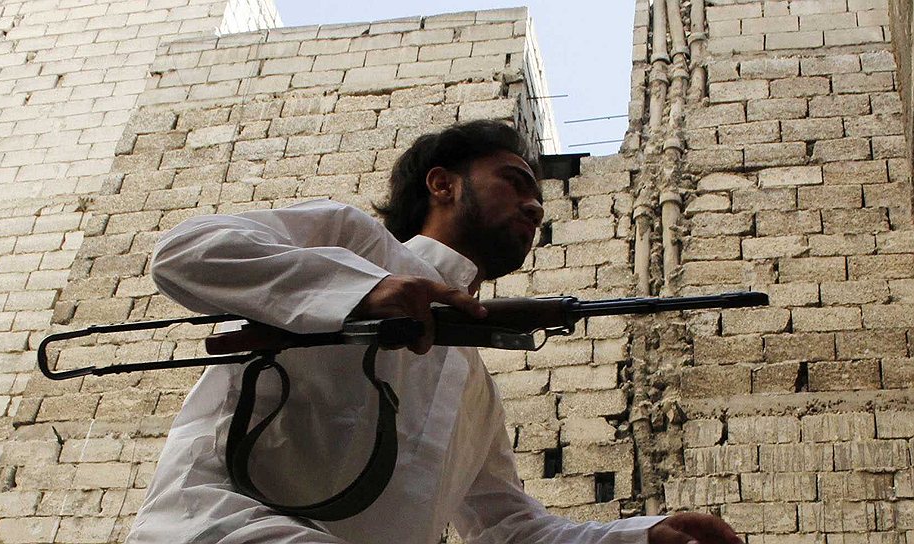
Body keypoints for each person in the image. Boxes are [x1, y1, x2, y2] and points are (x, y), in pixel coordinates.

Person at [127, 120, 742, 544]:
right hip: (219, 526)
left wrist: (643, 535)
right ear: (442, 184)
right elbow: (185, 253)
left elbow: (508, 529)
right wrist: (362, 290)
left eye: (538, 197)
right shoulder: (349, 239)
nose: (535, 207)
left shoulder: (476, 391)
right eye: (515, 181)